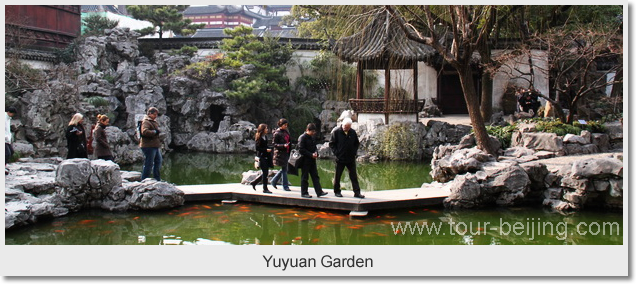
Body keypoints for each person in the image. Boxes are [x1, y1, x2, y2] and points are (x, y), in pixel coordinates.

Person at [329, 117, 364, 198]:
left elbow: (356, 143)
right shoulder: (336, 132)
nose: (346, 128)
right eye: (345, 126)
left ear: (350, 126)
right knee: (337, 176)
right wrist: (337, 153)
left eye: (347, 127)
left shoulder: (352, 132)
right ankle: (337, 191)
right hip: (340, 158)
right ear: (342, 124)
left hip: (350, 158)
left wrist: (354, 152)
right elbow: (331, 144)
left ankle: (357, 192)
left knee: (354, 176)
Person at [298, 123, 328, 198]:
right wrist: (310, 154)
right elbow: (301, 150)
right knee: (305, 177)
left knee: (315, 176)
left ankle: (319, 192)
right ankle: (304, 193)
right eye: (312, 131)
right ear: (307, 130)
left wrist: (316, 153)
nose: (313, 133)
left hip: (312, 160)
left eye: (314, 132)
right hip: (305, 160)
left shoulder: (312, 137)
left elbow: (314, 147)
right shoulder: (302, 137)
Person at [140, 107, 162, 181]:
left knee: (158, 161)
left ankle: (157, 179)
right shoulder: (146, 121)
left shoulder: (153, 121)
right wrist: (155, 132)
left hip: (154, 145)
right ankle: (144, 180)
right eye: (154, 114)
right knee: (149, 164)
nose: (156, 116)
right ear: (150, 113)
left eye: (156, 114)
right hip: (148, 146)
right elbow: (144, 132)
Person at [250, 124, 273, 194]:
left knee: (265, 172)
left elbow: (265, 145)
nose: (267, 130)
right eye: (266, 128)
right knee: (265, 172)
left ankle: (254, 182)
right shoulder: (259, 137)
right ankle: (265, 188)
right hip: (261, 157)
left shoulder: (265, 136)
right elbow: (257, 148)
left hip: (266, 156)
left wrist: (269, 148)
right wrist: (266, 150)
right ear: (262, 129)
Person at [270, 118, 292, 191]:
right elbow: (274, 144)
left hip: (286, 152)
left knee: (284, 169)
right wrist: (283, 146)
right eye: (285, 125)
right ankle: (285, 186)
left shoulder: (286, 131)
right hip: (280, 154)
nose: (286, 126)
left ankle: (273, 181)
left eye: (286, 125)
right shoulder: (277, 133)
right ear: (281, 125)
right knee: (284, 169)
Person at [5, 107, 17, 174]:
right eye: (13, 114)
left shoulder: (8, 118)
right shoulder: (3, 117)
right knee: (7, 153)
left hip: (7, 139)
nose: (13, 115)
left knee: (11, 152)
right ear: (9, 112)